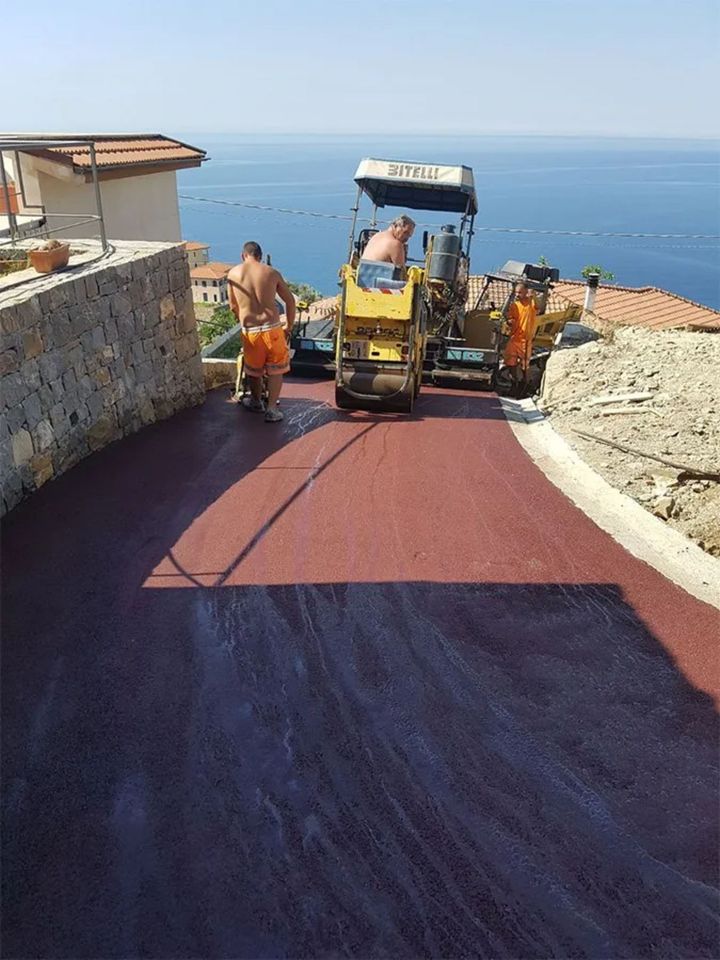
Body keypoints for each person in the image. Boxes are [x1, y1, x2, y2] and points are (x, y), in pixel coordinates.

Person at [227, 241, 296, 423]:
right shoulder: (271, 273)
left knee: (253, 370)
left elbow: (232, 305)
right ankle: (272, 409)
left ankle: (256, 402)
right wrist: (288, 326)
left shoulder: (233, 274)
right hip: (272, 328)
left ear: (243, 256)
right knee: (276, 370)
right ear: (260, 256)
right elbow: (290, 301)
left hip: (250, 330)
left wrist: (241, 318)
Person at [503, 282, 538, 395]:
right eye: (516, 292)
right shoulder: (514, 305)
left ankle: (526, 385)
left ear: (525, 292)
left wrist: (534, 296)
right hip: (514, 338)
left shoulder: (531, 303)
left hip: (525, 340)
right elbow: (510, 318)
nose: (517, 294)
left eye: (520, 292)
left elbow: (538, 307)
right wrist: (509, 321)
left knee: (525, 365)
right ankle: (514, 382)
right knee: (510, 362)